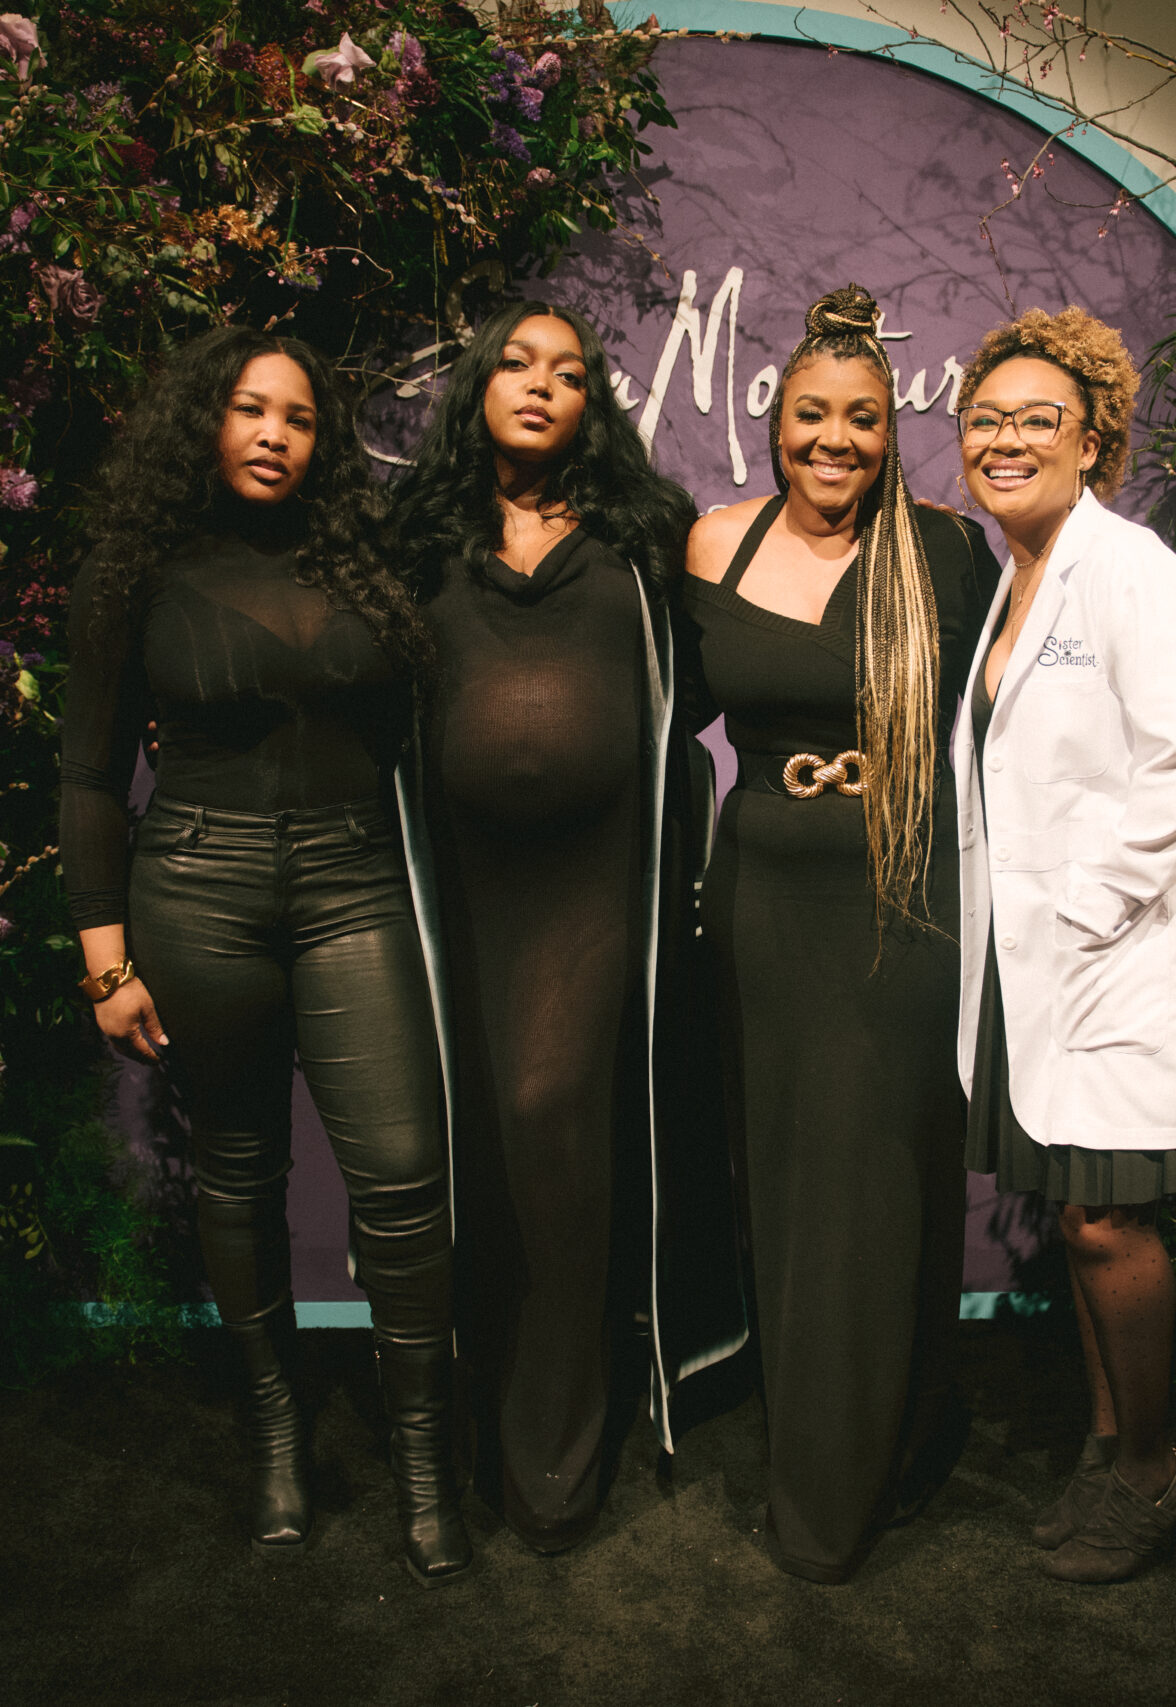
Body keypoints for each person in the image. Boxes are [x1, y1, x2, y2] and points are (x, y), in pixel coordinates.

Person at [61, 327, 471, 1584]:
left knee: (401, 1175)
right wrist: (105, 963)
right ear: (209, 422)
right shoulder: (141, 570)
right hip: (196, 888)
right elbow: (86, 772)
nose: (274, 433)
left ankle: (419, 1468)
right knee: (236, 1169)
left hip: (353, 884)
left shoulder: (366, 562)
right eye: (250, 408)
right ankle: (280, 1439)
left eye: (298, 416)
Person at [391, 300, 743, 1553]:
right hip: (459, 893)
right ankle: (484, 1425)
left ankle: (561, 1449)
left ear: (596, 403)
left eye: (572, 373)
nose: (542, 386)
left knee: (552, 1117)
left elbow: (702, 684)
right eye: (516, 365)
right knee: (477, 1144)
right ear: (478, 387)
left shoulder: (644, 536)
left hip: (600, 888)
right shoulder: (415, 538)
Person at [948, 307, 1176, 1583]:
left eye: (1039, 419)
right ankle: (1104, 1454)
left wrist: (1088, 906)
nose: (1006, 438)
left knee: (1103, 1221)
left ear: (1094, 443)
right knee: (1075, 1205)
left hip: (1128, 946)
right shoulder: (1012, 585)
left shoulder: (1128, 567)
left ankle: (1149, 1467)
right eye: (984, 419)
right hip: (1047, 956)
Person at [678, 285, 998, 1584]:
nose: (836, 439)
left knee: (873, 1184)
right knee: (781, 1184)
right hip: (758, 906)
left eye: (861, 419)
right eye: (813, 414)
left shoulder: (947, 553)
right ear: (776, 418)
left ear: (890, 430)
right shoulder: (709, 546)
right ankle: (833, 1434)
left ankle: (851, 1474)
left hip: (898, 904)